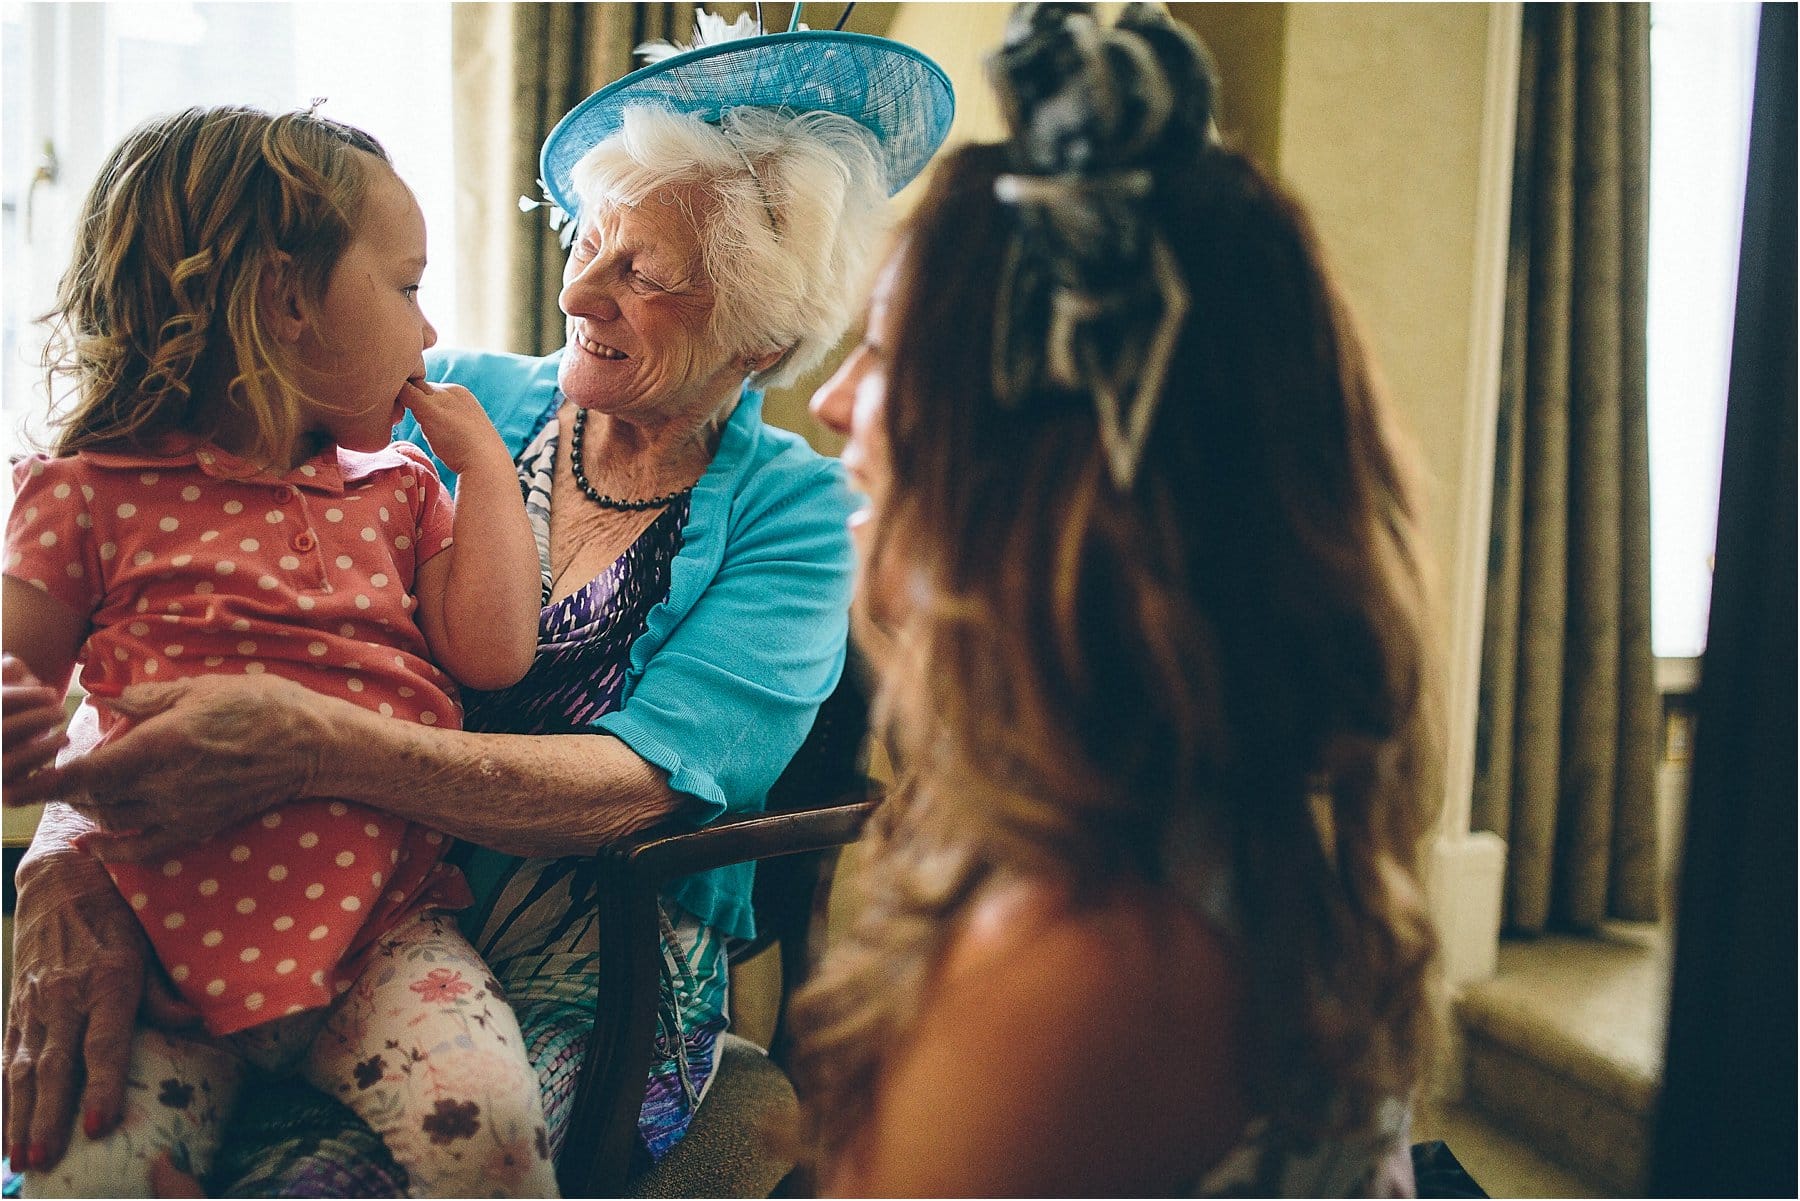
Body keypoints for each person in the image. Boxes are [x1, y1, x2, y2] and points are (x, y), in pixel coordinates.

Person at [2, 13, 954, 1195]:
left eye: (641, 273)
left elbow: (637, 789)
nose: (576, 289)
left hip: (588, 957)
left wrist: (316, 749)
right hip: (265, 890)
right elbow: (179, 585)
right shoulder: (430, 400)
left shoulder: (799, 515)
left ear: (757, 339)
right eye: (587, 243)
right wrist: (71, 847)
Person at [794, 4, 1440, 1195]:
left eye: (883, 352)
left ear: (1040, 455)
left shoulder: (1083, 968)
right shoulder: (1200, 814)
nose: (835, 401)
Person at [4, 104, 553, 1197]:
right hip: (153, 955)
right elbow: (16, 669)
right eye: (405, 288)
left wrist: (486, 473)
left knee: (493, 1130)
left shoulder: (398, 487)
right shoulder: (86, 493)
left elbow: (492, 653)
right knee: (81, 1175)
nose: (429, 331)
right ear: (284, 299)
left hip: (386, 938)